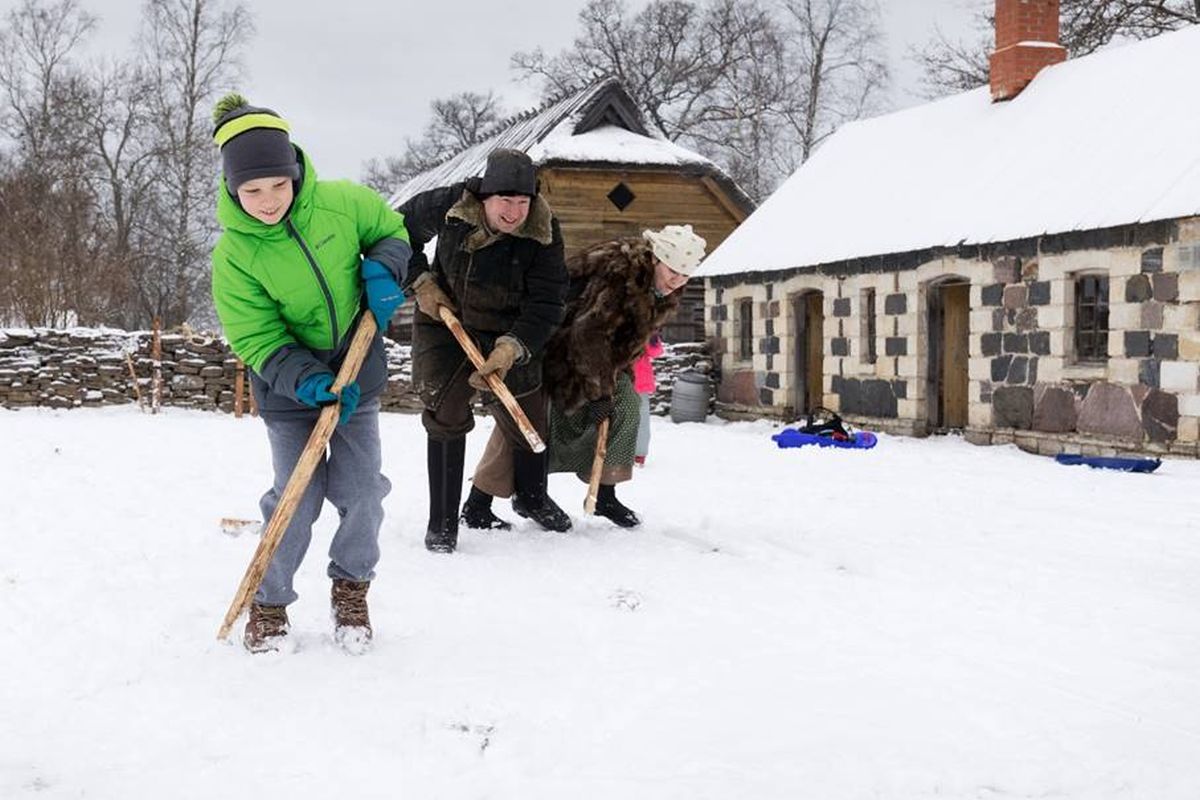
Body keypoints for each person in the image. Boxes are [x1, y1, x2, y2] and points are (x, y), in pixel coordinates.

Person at [210, 94, 411, 653]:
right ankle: (269, 604)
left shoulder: (344, 204)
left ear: (295, 171)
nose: (268, 201)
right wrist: (307, 381)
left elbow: (391, 230)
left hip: (358, 374)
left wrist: (385, 267)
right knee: (298, 498)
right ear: (232, 189)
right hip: (288, 390)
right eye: (252, 191)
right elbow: (256, 336)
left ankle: (351, 588)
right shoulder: (234, 257)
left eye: (278, 184)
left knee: (363, 491)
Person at [471, 224, 706, 528]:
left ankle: (604, 493)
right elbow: (588, 334)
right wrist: (600, 393)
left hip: (598, 354)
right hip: (552, 340)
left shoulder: (660, 285)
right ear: (656, 259)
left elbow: (626, 336)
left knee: (626, 405)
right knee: (526, 422)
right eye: (673, 270)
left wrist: (613, 381)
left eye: (685, 275)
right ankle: (483, 502)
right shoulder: (622, 276)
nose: (678, 280)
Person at [398, 149, 570, 553]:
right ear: (484, 198)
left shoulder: (544, 232)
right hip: (446, 318)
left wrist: (513, 347)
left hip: (511, 331)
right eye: (504, 202)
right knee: (445, 412)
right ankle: (441, 522)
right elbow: (394, 232)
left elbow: (548, 301)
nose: (513, 213)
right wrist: (420, 281)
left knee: (527, 417)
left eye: (522, 202)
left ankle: (531, 497)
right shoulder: (449, 206)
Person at [632, 331, 665, 467]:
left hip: (639, 382)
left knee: (641, 419)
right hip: (619, 380)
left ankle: (639, 455)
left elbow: (656, 352)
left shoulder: (644, 328)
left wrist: (651, 336)